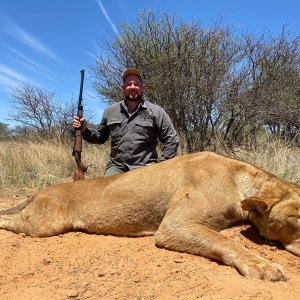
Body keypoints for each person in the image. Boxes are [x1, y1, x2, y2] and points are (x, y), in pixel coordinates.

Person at [73, 67, 179, 176]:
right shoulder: (110, 111)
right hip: (117, 167)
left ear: (143, 88)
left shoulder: (156, 111)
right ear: (123, 88)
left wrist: (161, 165)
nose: (132, 87)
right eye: (129, 84)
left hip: (145, 168)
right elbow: (100, 137)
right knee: (105, 191)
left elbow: (172, 139)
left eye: (136, 84)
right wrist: (85, 129)